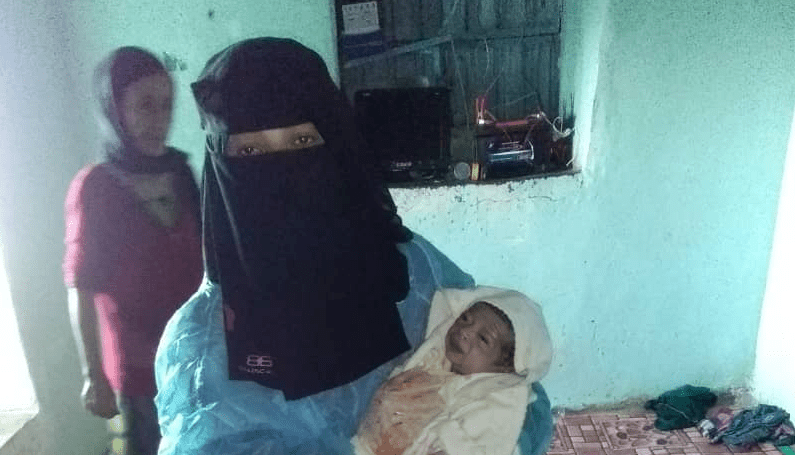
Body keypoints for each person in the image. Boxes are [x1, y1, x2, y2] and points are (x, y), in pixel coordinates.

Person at [154, 37, 553, 455]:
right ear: (221, 169)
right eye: (250, 149)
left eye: (303, 143)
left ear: (338, 148)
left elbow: (515, 384)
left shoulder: (410, 267)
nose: (282, 174)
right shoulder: (205, 346)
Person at [63, 46, 203, 455]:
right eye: (144, 105)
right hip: (135, 376)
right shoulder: (96, 187)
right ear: (114, 107)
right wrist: (94, 375)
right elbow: (81, 287)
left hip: (190, 359)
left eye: (166, 105)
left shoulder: (180, 171)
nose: (159, 119)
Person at [353, 286, 552, 455]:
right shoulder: (433, 363)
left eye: (483, 339)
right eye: (465, 318)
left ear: (505, 369)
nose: (464, 332)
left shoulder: (495, 399)